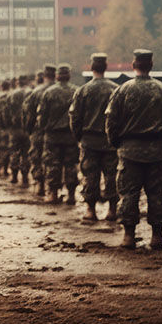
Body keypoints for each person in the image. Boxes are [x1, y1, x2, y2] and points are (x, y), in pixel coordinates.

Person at [105, 49, 162, 249]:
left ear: (133, 64)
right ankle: (157, 237)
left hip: (130, 150)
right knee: (156, 194)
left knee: (129, 194)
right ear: (151, 65)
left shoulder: (122, 91)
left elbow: (111, 122)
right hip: (156, 150)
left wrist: (117, 144)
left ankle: (129, 236)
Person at [68, 53, 119, 221]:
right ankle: (112, 209)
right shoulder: (115, 89)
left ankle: (91, 210)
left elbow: (75, 117)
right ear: (106, 67)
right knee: (111, 175)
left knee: (90, 174)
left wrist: (79, 137)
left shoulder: (83, 90)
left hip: (89, 140)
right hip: (109, 141)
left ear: (91, 67)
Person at [38, 63, 79, 204]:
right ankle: (71, 195)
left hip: (53, 135)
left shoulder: (49, 92)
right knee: (71, 165)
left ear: (57, 76)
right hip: (70, 135)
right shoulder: (77, 91)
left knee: (53, 165)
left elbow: (42, 116)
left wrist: (44, 129)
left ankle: (53, 194)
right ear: (69, 76)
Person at [24, 66, 55, 196]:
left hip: (38, 131)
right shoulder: (70, 90)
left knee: (37, 158)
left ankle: (40, 185)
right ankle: (56, 190)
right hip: (58, 132)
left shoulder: (36, 92)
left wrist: (29, 130)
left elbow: (28, 113)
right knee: (55, 160)